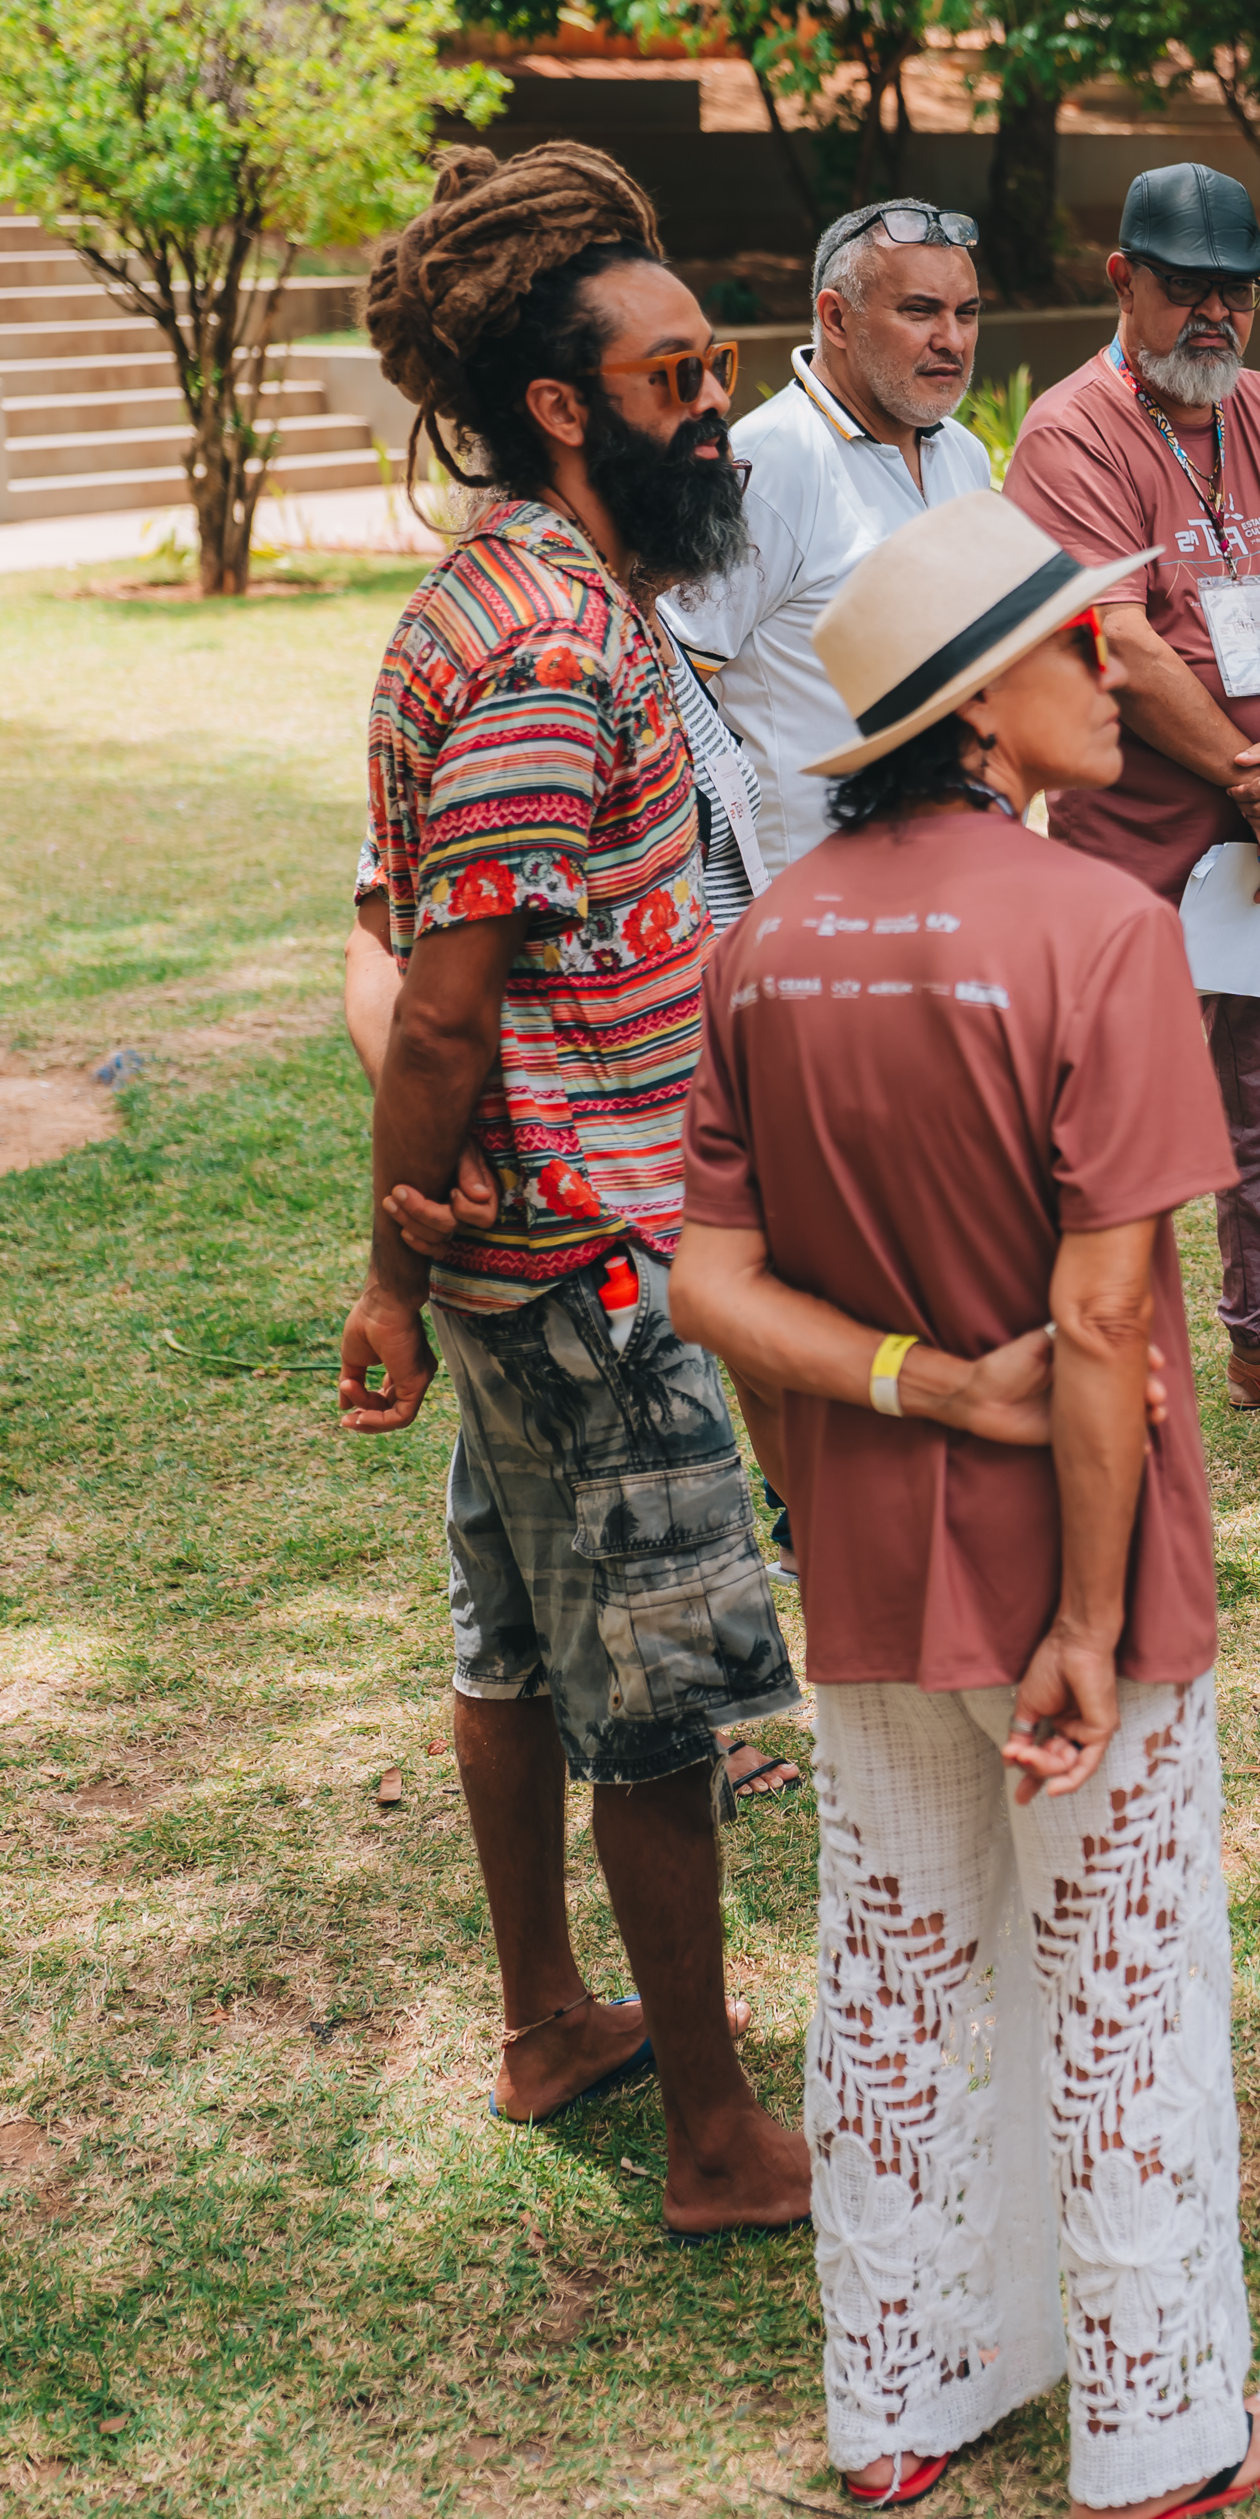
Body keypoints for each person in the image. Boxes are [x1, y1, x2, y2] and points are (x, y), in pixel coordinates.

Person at [670, 489, 1260, 2519]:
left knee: (894, 1956)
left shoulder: (766, 942)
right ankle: (1155, 2429)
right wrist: (1091, 1621)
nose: (1123, 664)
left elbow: (705, 1276)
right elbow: (1106, 1319)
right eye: (1080, 641)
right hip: (1074, 1562)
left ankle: (893, 2394)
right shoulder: (1098, 931)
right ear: (973, 708)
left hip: (867, 1554)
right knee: (1122, 1975)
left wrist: (909, 1383)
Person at [330, 143, 808, 2235]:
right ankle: (716, 2134)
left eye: (716, 367)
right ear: (560, 404)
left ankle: (548, 2017)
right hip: (597, 1270)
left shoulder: (512, 596)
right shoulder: (547, 642)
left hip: (530, 1256)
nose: (714, 408)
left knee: (517, 1641)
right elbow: (439, 999)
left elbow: (415, 939)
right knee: (662, 1700)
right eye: (675, 377)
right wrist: (386, 1259)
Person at [341, 605, 800, 1802]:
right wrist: (437, 1132)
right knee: (626, 1681)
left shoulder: (653, 637)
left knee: (520, 1633)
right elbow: (394, 961)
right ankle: (703, 1728)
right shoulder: (543, 651)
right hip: (591, 1223)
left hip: (684, 1140)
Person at [1005, 163, 1260, 1421]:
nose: (1216, 316)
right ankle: (1097, 1346)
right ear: (1123, 280)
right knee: (1120, 1113)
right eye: (1187, 289)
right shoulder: (1071, 431)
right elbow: (1114, 640)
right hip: (1142, 848)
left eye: (1240, 293)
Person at [662, 196, 993, 877]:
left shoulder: (964, 453)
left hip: (954, 874)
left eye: (966, 313)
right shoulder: (768, 463)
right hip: (814, 899)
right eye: (920, 311)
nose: (952, 340)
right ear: (837, 318)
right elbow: (675, 680)